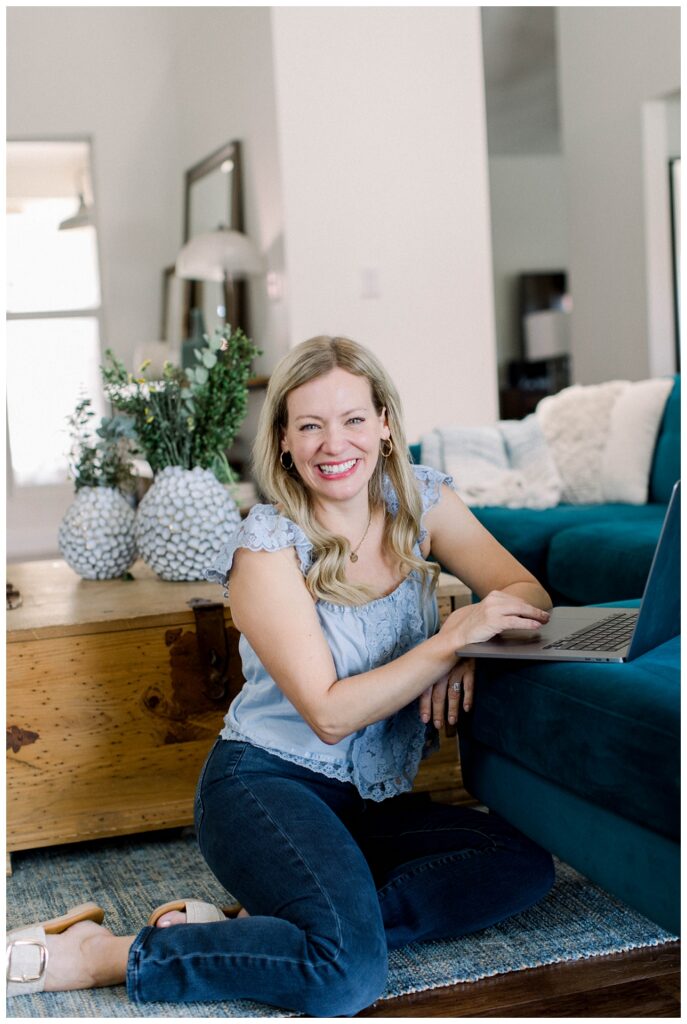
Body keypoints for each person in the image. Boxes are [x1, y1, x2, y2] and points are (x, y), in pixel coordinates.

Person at [7, 336, 555, 1014]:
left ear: (384, 423)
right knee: (345, 977)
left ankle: (269, 932)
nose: (335, 444)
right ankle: (104, 953)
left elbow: (526, 593)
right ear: (285, 442)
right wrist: (446, 645)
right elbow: (329, 713)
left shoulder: (420, 500)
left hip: (370, 800)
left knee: (520, 866)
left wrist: (473, 642)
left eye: (353, 419)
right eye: (311, 426)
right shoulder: (267, 546)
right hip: (266, 786)